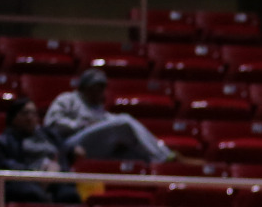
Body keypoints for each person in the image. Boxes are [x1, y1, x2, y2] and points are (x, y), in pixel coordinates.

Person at [43, 68, 176, 164]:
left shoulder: (98, 109)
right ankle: (164, 157)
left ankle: (161, 164)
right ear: (85, 87)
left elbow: (108, 123)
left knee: (137, 156)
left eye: (102, 87)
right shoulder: (68, 99)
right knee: (125, 121)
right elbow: (51, 124)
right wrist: (82, 124)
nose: (100, 91)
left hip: (95, 147)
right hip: (70, 145)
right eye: (96, 86)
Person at [0, 101, 78, 205]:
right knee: (33, 194)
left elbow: (64, 152)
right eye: (25, 113)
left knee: (69, 195)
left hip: (55, 178)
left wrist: (57, 168)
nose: (30, 117)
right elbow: (5, 165)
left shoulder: (49, 135)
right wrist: (38, 174)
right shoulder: (3, 141)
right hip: (25, 181)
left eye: (33, 113)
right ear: (13, 118)